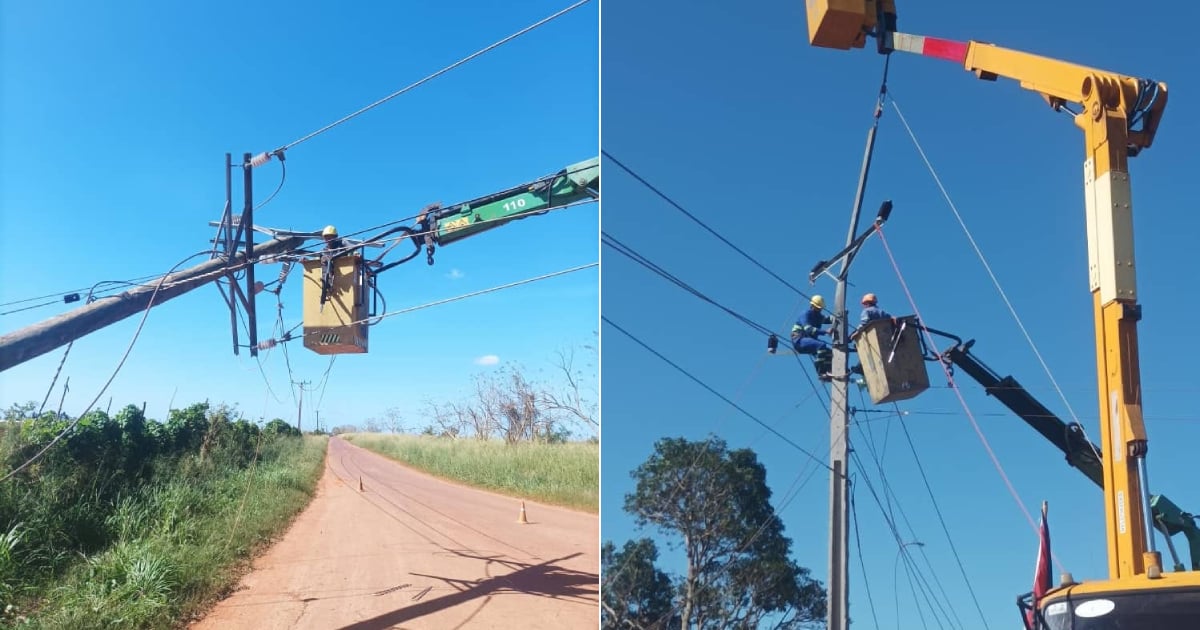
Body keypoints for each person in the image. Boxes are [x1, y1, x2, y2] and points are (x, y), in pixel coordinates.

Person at [792, 295, 834, 381]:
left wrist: (840, 316)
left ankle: (829, 371)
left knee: (829, 352)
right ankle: (821, 373)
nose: (819, 310)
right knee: (821, 346)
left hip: (808, 340)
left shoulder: (818, 316)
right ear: (812, 305)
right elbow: (808, 329)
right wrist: (825, 332)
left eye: (820, 308)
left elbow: (828, 319)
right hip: (799, 339)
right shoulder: (806, 314)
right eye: (818, 308)